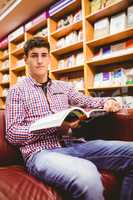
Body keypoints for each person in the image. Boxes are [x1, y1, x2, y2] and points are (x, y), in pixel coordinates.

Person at [5, 36, 133, 200]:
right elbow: (12, 133)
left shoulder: (64, 87)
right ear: (26, 60)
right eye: (34, 55)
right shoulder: (17, 91)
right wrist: (52, 127)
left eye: (44, 55)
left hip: (74, 145)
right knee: (87, 176)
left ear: (49, 58)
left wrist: (108, 101)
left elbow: (88, 101)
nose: (39, 60)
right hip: (40, 153)